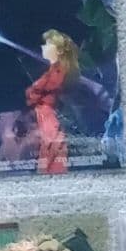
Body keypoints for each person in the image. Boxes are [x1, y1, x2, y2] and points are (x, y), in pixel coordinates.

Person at [25, 30, 80, 174]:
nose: (44, 48)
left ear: (59, 50)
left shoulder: (58, 71)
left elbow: (41, 89)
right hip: (44, 114)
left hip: (49, 114)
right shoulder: (52, 70)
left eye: (48, 45)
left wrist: (35, 92)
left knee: (52, 145)